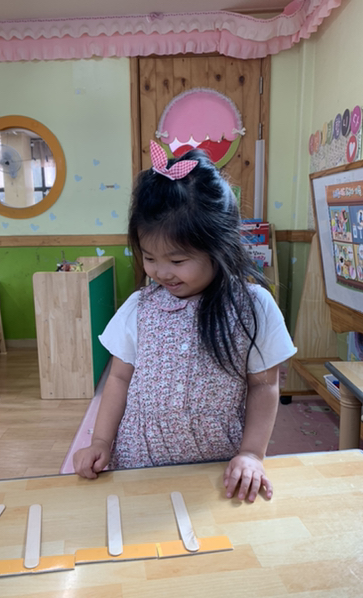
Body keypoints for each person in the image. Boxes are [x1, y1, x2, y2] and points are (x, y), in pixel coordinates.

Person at [73, 141, 297, 502]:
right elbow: (118, 378)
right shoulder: (140, 307)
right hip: (139, 459)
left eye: (177, 261)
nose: (161, 272)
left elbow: (264, 386)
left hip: (216, 466)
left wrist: (252, 454)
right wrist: (100, 441)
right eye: (149, 258)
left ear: (219, 246)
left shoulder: (252, 307)